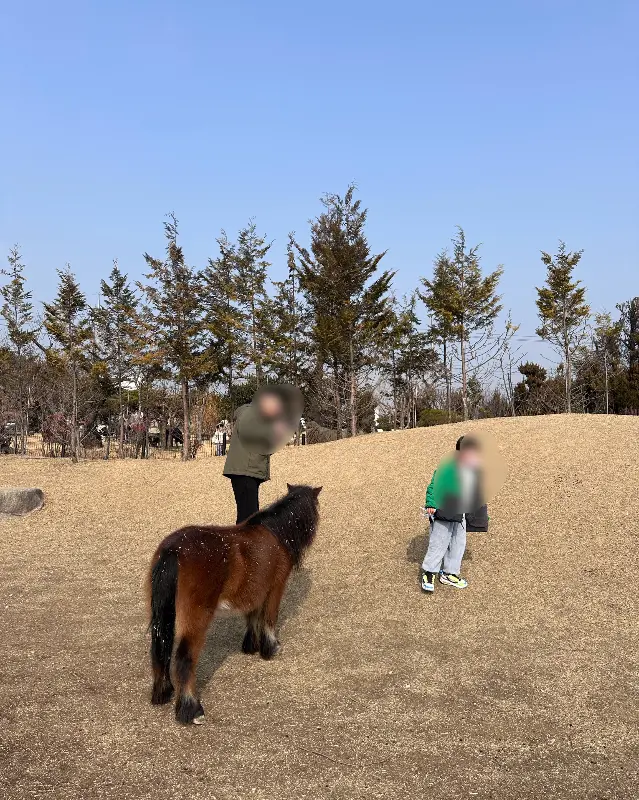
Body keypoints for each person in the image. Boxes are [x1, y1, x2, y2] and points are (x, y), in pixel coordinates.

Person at [223, 385, 303, 524]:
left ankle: (244, 537)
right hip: (245, 471)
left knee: (249, 516)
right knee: (249, 518)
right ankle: (243, 538)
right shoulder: (250, 413)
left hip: (248, 470)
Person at [420, 435, 489, 593]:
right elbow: (434, 485)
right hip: (444, 510)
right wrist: (431, 503)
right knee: (439, 542)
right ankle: (429, 573)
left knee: (458, 544)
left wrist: (481, 515)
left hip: (461, 514)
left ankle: (449, 573)